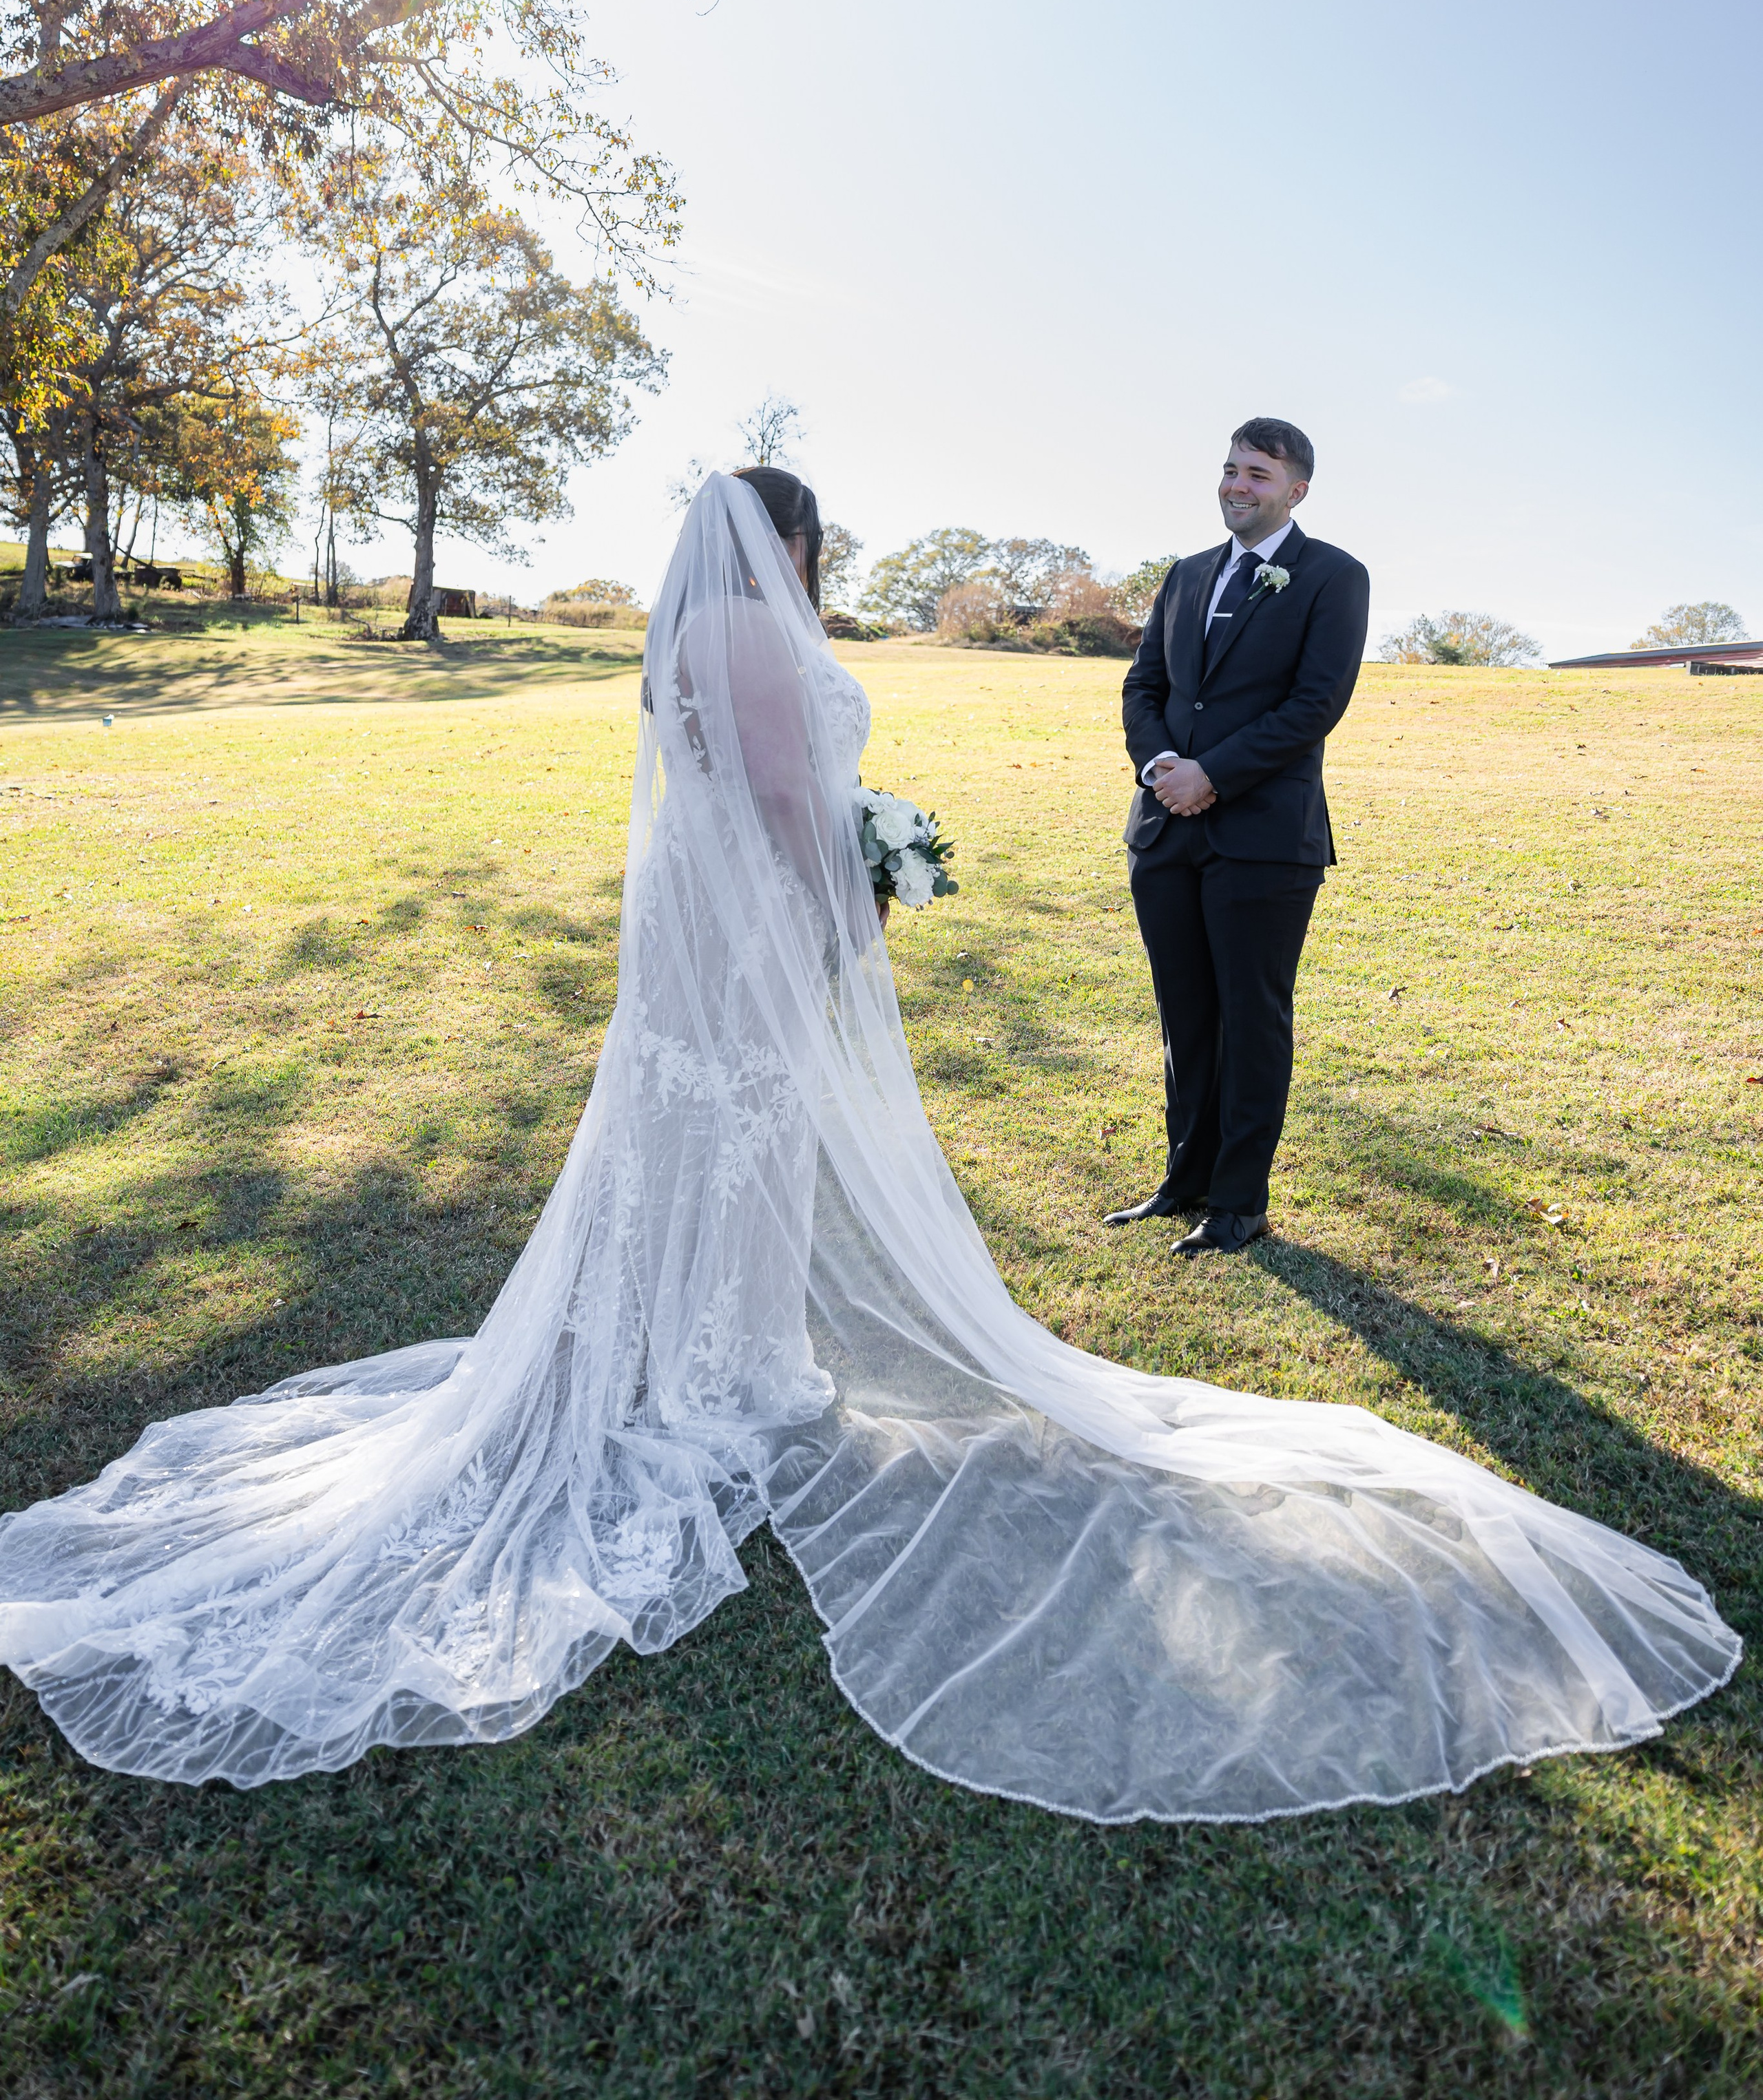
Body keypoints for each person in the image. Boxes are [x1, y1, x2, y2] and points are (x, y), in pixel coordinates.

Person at [0, 472, 1737, 1823]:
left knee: (681, 1135)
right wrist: (863, 885)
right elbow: (783, 807)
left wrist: (848, 847)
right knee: (744, 1138)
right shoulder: (760, 636)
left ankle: (683, 1346)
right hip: (750, 918)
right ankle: (728, 1369)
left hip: (687, 926)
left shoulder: (677, 637)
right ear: (791, 548)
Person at [1109, 419, 1368, 1256]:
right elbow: (1144, 686)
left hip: (1263, 838)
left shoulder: (1333, 576)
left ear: (1296, 491)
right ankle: (1184, 1181)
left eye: (1258, 473)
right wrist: (1162, 767)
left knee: (1251, 1019)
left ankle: (1237, 1203)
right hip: (1164, 830)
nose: (1237, 485)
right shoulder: (1184, 575)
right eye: (1230, 469)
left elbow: (1314, 704)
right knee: (1185, 1016)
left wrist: (1211, 775)